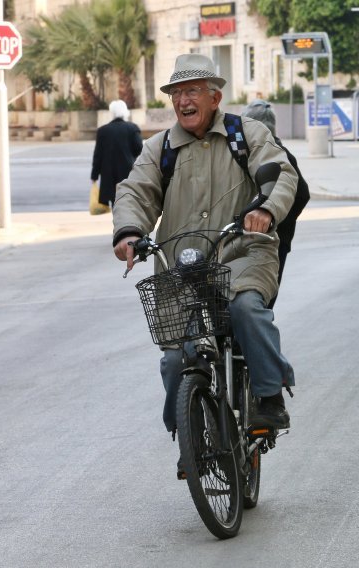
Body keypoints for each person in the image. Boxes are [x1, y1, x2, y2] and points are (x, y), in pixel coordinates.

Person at [112, 54, 298, 441]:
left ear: (215, 97)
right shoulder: (158, 148)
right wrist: (129, 231)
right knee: (176, 357)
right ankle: (191, 435)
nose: (183, 101)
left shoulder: (245, 134)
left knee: (247, 308)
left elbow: (280, 172)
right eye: (176, 93)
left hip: (243, 253)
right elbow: (136, 191)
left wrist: (265, 208)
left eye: (192, 90)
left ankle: (268, 395)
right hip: (180, 263)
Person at [241, 99, 310, 307]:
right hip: (254, 242)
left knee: (259, 305)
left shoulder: (277, 153)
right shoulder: (258, 150)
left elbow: (301, 193)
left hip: (271, 243)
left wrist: (273, 219)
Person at [91, 99, 143, 210]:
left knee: (115, 201)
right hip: (128, 171)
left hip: (108, 174)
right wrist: (130, 156)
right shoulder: (132, 128)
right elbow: (139, 148)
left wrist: (94, 176)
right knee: (128, 201)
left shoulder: (103, 131)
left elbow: (98, 155)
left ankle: (117, 223)